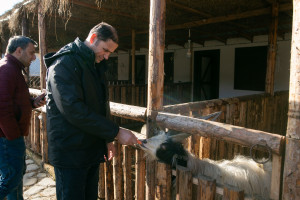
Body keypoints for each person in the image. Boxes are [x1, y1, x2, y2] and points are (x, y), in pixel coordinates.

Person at [44, 22, 138, 200]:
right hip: (70, 152)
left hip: (90, 149)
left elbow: (101, 104)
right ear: (93, 38)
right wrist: (116, 132)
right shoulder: (63, 63)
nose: (107, 56)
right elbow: (73, 110)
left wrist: (107, 139)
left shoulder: (93, 64)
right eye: (105, 50)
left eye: (110, 52)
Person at [0, 36, 46, 200]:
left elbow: (12, 102)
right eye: (32, 53)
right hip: (7, 138)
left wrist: (32, 103)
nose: (34, 57)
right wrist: (13, 137)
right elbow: (2, 107)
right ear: (18, 51)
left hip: (8, 136)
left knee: (16, 176)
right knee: (11, 178)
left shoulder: (12, 69)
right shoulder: (7, 70)